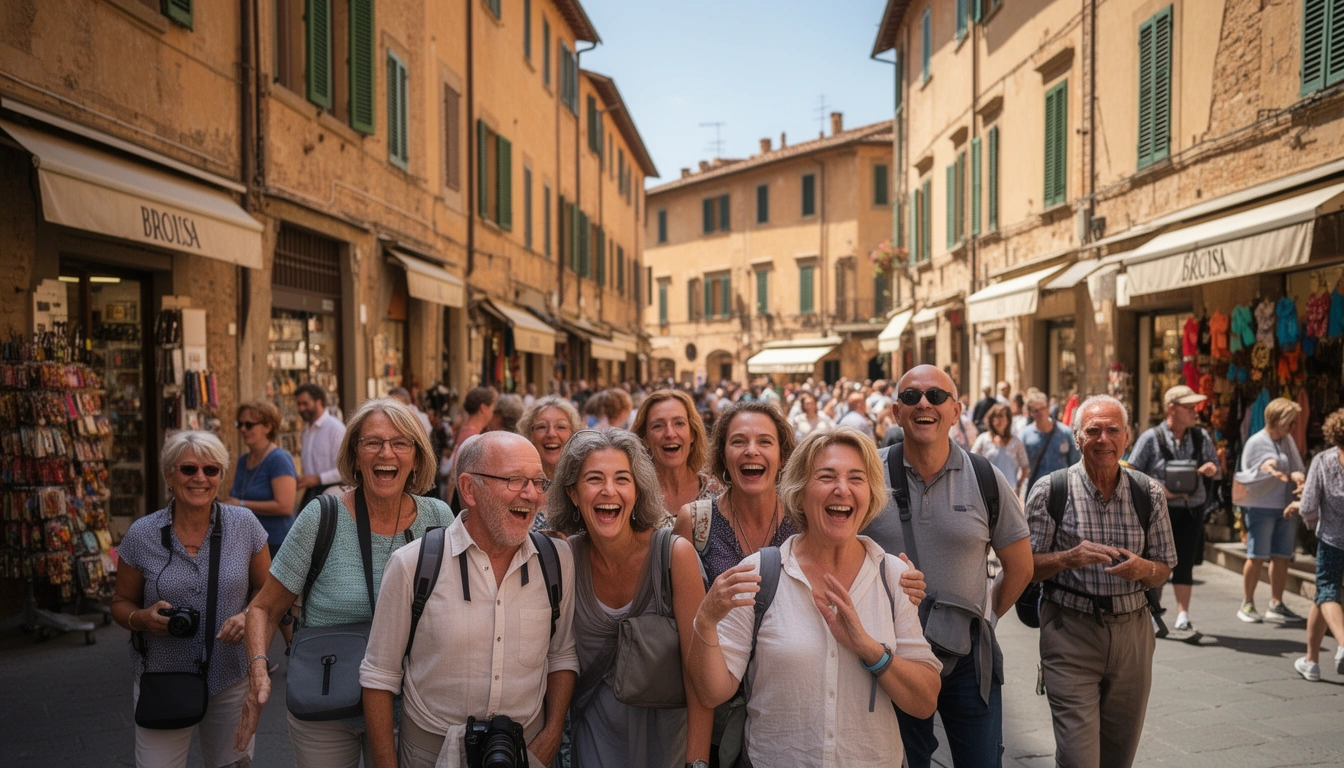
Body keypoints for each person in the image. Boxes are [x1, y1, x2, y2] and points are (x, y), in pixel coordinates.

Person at [687, 427, 943, 767]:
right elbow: (712, 692)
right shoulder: (759, 574)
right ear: (800, 491)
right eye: (826, 477)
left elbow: (925, 702)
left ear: (870, 494)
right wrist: (706, 619)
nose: (842, 489)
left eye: (856, 478)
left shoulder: (894, 577)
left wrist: (869, 648)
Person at [234, 398, 452, 767]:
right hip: (326, 702)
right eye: (373, 442)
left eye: (400, 442)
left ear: (417, 457)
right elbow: (264, 608)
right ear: (354, 455)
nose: (386, 452)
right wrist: (257, 674)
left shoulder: (438, 518)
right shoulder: (322, 516)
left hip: (412, 706)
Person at [358, 431, 575, 767]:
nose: (531, 494)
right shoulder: (411, 564)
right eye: (515, 480)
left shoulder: (557, 561)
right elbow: (378, 677)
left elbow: (561, 656)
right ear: (469, 488)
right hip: (430, 756)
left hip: (526, 753)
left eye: (537, 482)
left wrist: (551, 734)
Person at [865, 366, 1034, 768]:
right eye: (911, 397)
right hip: (892, 656)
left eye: (937, 396)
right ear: (896, 412)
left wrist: (985, 618)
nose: (924, 403)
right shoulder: (867, 475)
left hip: (969, 661)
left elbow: (1021, 567)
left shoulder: (985, 477)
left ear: (956, 411)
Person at [546, 429, 712, 766]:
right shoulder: (564, 559)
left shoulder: (674, 556)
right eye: (594, 479)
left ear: (638, 492)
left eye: (622, 479)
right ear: (573, 493)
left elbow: (698, 675)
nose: (609, 490)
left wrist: (697, 762)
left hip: (670, 753)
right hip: (593, 752)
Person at [1027, 395, 1176, 768]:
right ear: (1077, 437)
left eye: (1113, 430)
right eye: (1093, 430)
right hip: (1069, 632)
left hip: (1133, 636)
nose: (1103, 439)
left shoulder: (1149, 492)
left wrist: (1144, 569)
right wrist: (1068, 558)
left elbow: (1165, 567)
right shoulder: (1050, 491)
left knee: (1118, 758)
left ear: (1127, 436)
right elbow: (1025, 567)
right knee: (1078, 759)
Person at [112, 431, 269, 768]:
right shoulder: (142, 534)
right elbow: (120, 601)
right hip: (162, 678)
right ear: (169, 474)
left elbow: (266, 591)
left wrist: (247, 614)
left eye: (211, 470)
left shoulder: (245, 525)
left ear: (221, 476)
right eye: (188, 469)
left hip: (230, 675)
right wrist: (142, 619)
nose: (200, 478)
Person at [1127, 385, 1221, 641]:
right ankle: (1153, 613)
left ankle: (1183, 616)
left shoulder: (1200, 436)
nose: (1194, 412)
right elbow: (1131, 471)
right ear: (1172, 409)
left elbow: (1216, 467)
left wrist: (1211, 469)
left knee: (1185, 562)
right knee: (1157, 562)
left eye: (1194, 407)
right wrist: (1158, 487)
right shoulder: (1151, 437)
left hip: (1191, 509)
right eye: (1189, 407)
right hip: (1160, 511)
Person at [1233, 396, 1307, 623]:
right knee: (1257, 555)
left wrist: (1297, 476)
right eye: (1290, 421)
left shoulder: (1287, 440)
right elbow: (1252, 471)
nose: (1293, 426)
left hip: (1285, 506)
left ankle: (1276, 603)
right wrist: (1268, 467)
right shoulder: (1256, 441)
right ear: (1277, 419)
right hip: (1261, 506)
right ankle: (1247, 603)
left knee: (1282, 556)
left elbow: (1296, 467)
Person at [1294, 408, 1344, 681]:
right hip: (1333, 538)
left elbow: (1308, 506)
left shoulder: (1323, 461)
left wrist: (1312, 522)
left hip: (1332, 540)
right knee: (1322, 598)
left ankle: (1343, 645)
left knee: (1327, 592)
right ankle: (1311, 661)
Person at [632, 389, 722, 516]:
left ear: (692, 433)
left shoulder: (719, 495)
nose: (670, 433)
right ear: (645, 438)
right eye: (658, 426)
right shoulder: (634, 496)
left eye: (679, 423)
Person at [224, 400, 297, 556]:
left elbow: (285, 506)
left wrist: (241, 504)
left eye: (249, 425)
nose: (243, 429)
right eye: (240, 424)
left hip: (277, 544)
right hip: (248, 543)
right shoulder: (243, 460)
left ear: (267, 427)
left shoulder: (279, 459)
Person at [294, 383, 348, 510]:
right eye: (299, 404)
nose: (301, 408)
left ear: (318, 402)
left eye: (305, 403)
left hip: (333, 493)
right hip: (311, 493)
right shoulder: (307, 430)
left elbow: (345, 470)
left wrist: (318, 479)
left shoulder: (336, 429)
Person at [1020, 390, 1082, 491]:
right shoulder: (1024, 436)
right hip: (1035, 488)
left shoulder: (1065, 433)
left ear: (1048, 408)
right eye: (1036, 410)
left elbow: (1075, 463)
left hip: (1061, 489)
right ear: (1031, 413)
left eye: (1042, 408)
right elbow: (1021, 466)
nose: (1040, 413)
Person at [445, 386, 498, 504]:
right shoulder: (471, 435)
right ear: (483, 407)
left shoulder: (467, 430)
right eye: (492, 407)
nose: (492, 412)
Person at [519, 395, 583, 480]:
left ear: (574, 434)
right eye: (542, 427)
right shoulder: (517, 479)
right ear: (529, 434)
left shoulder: (583, 479)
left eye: (561, 427)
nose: (551, 434)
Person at [972, 403, 1030, 497]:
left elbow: (1025, 466)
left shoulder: (1016, 442)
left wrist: (1018, 486)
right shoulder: (983, 439)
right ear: (991, 419)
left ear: (1008, 419)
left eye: (1002, 416)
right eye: (996, 416)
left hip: (1010, 492)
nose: (999, 420)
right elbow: (971, 462)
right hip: (987, 492)